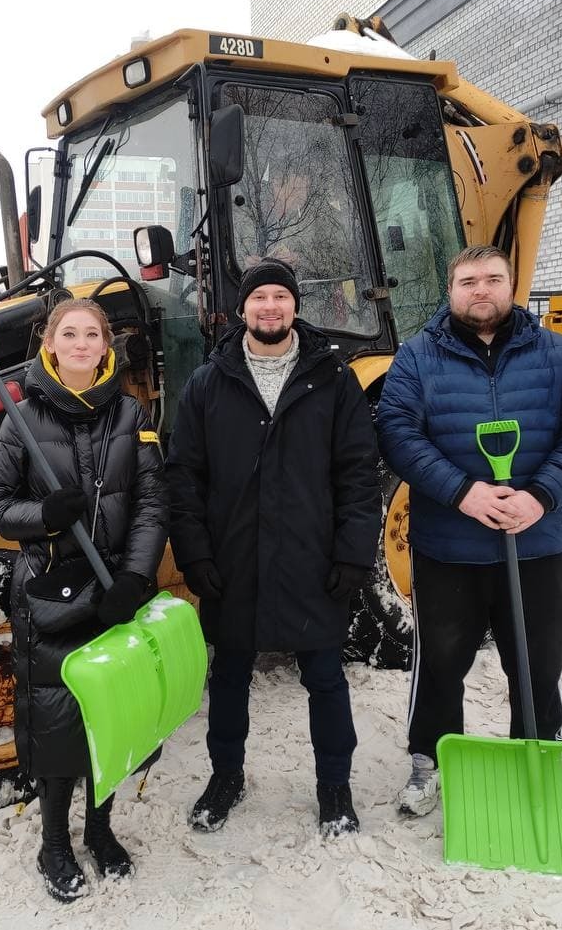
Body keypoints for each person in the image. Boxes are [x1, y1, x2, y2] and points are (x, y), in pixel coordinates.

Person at [374, 245, 562, 817]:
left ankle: (537, 754)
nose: (481, 290)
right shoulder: (419, 358)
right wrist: (464, 492)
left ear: (511, 286)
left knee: (536, 662)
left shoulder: (554, 355)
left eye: (493, 279)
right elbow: (399, 434)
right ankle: (430, 762)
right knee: (439, 664)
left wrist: (540, 496)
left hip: (534, 546)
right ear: (450, 291)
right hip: (448, 549)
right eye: (468, 280)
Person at [166, 257, 381, 837]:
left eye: (279, 297)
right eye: (258, 297)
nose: (269, 306)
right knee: (230, 678)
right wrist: (197, 557)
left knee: (326, 680)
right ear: (243, 310)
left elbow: (358, 474)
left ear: (294, 307)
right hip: (234, 563)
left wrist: (352, 554)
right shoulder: (209, 383)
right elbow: (184, 478)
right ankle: (226, 777)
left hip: (311, 560)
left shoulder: (332, 380)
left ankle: (335, 786)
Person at [0, 298, 167, 903]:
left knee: (110, 720)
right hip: (50, 592)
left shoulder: (132, 413)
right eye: (71, 333)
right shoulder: (23, 419)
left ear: (107, 346)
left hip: (113, 590)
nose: (82, 343)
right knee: (60, 723)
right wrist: (45, 516)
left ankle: (101, 831)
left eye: (93, 334)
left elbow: (149, 503)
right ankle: (54, 843)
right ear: (51, 344)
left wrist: (136, 580)